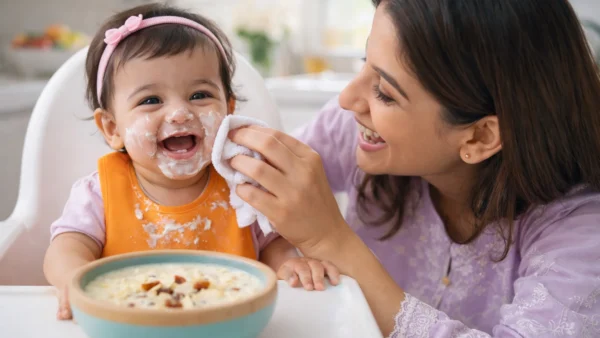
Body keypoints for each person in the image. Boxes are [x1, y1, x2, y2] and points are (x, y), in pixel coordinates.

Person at [228, 0, 600, 336]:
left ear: (480, 137)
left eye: (385, 93)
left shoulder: (583, 233)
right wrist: (280, 251)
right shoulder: (355, 130)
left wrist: (331, 242)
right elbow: (237, 197)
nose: (347, 99)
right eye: (364, 64)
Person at [42, 3, 339, 321]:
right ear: (113, 129)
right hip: (130, 322)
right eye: (151, 100)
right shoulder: (100, 191)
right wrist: (74, 279)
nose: (180, 113)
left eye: (199, 95)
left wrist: (289, 264)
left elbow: (272, 245)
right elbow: (66, 248)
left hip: (225, 321)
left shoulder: (243, 185)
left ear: (228, 111)